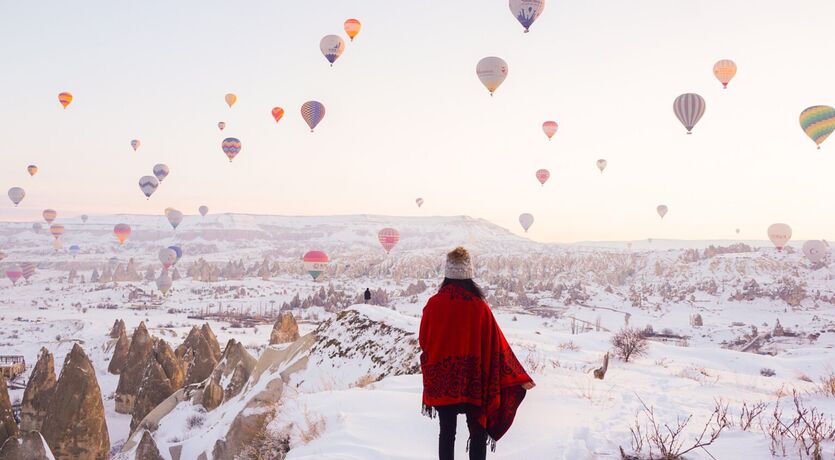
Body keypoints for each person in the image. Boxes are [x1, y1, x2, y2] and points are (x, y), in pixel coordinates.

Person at [419, 247, 534, 460]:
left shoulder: (433, 305)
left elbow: (424, 341)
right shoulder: (479, 307)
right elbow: (497, 343)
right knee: (478, 432)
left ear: (447, 274)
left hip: (442, 379)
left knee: (446, 432)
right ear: (469, 275)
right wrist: (518, 375)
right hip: (474, 380)